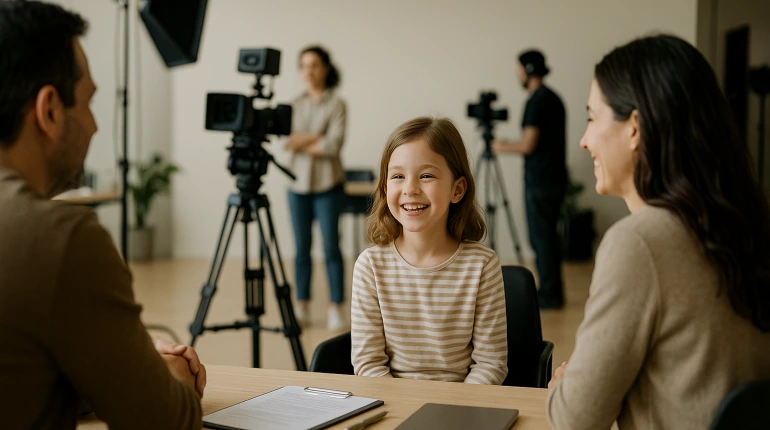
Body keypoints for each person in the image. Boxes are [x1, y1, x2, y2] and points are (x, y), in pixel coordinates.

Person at [546, 35, 770, 430]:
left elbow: (575, 419)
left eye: (592, 117)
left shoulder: (640, 242)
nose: (584, 140)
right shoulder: (748, 221)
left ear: (634, 127)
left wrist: (561, 385)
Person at [0, 1, 204, 428]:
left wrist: (114, 351)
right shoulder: (60, 238)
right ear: (50, 110)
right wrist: (168, 373)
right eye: (89, 102)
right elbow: (165, 421)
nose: (93, 125)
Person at [351, 117, 508, 384]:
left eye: (426, 176)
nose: (410, 189)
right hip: (392, 407)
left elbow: (490, 364)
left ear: (457, 189)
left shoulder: (482, 265)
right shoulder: (370, 266)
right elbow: (368, 364)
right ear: (387, 187)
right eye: (398, 176)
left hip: (461, 411)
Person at [492, 49, 567, 309]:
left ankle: (549, 294)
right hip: (555, 178)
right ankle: (552, 289)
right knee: (548, 237)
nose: (518, 75)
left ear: (528, 70)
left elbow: (529, 144)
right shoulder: (554, 99)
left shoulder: (536, 101)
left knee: (541, 238)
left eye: (519, 70)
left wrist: (501, 146)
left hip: (540, 181)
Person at [284, 45, 347, 330]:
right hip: (296, 185)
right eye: (304, 65)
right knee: (301, 249)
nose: (309, 71)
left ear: (326, 69)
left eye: (315, 65)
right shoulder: (294, 104)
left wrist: (302, 140)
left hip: (328, 186)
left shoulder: (337, 104)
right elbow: (287, 142)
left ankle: (336, 307)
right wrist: (316, 137)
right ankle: (303, 305)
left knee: (331, 248)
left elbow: (332, 145)